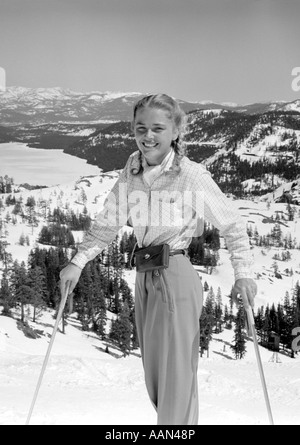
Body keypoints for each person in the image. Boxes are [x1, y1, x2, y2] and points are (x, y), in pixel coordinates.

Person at [60, 93, 257, 425]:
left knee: (176, 381)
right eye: (141, 128)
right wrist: (78, 262)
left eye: (157, 128)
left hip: (175, 274)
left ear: (175, 131)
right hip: (145, 276)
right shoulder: (132, 170)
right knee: (155, 379)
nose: (147, 136)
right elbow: (109, 220)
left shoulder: (190, 176)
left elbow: (232, 223)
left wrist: (244, 272)